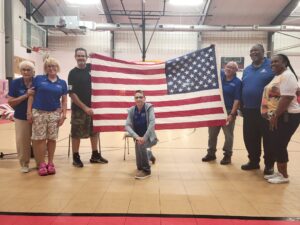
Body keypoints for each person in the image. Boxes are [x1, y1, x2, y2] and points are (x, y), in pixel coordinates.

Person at [261, 54, 300, 184]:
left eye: (276, 61)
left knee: (279, 144)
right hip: (279, 115)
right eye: (271, 62)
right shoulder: (279, 76)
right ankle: (279, 173)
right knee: (276, 144)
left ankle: (284, 175)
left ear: (285, 63)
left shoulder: (288, 75)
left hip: (287, 116)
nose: (273, 64)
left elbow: (287, 98)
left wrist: (276, 115)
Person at [68, 47, 108, 168]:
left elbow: (104, 66)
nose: (81, 58)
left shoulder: (92, 68)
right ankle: (76, 157)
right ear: (75, 57)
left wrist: (95, 56)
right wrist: (85, 107)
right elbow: (71, 93)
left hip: (94, 108)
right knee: (76, 134)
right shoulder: (72, 73)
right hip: (78, 109)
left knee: (94, 132)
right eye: (78, 56)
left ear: (86, 57)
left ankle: (95, 155)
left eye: (83, 56)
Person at [27, 57, 67, 176]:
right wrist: (29, 112)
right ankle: (41, 164)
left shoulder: (62, 83)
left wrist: (63, 115)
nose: (51, 68)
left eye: (54, 66)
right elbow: (31, 96)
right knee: (39, 139)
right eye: (49, 66)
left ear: (57, 68)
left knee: (52, 139)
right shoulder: (39, 79)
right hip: (39, 112)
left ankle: (50, 162)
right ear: (45, 68)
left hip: (54, 113)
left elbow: (64, 101)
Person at [241, 44, 275, 175]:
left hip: (267, 110)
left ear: (263, 52)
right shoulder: (247, 69)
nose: (253, 53)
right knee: (250, 138)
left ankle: (269, 165)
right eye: (251, 51)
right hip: (249, 110)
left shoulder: (271, 66)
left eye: (256, 50)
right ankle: (254, 161)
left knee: (269, 138)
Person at [202, 61, 241, 165]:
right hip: (215, 111)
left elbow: (237, 99)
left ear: (236, 70)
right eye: (227, 67)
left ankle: (227, 155)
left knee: (228, 135)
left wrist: (232, 114)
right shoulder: (219, 79)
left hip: (228, 112)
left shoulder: (237, 82)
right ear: (224, 67)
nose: (229, 69)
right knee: (212, 134)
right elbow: (209, 69)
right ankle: (211, 153)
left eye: (232, 68)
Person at [8, 61, 35, 173]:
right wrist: (26, 95)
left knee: (38, 141)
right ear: (20, 71)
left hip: (37, 116)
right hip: (20, 116)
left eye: (28, 70)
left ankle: (40, 163)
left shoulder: (37, 82)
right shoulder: (15, 83)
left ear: (33, 72)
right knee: (22, 141)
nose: (26, 72)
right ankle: (24, 164)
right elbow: (11, 102)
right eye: (23, 70)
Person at [125, 90, 158, 179]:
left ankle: (147, 171)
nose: (139, 99)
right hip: (138, 138)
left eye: (141, 97)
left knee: (142, 145)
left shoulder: (149, 107)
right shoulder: (132, 110)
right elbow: (127, 125)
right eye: (136, 97)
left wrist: (144, 137)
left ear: (144, 98)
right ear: (134, 99)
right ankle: (149, 155)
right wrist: (136, 137)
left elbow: (152, 122)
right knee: (139, 166)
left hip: (150, 138)